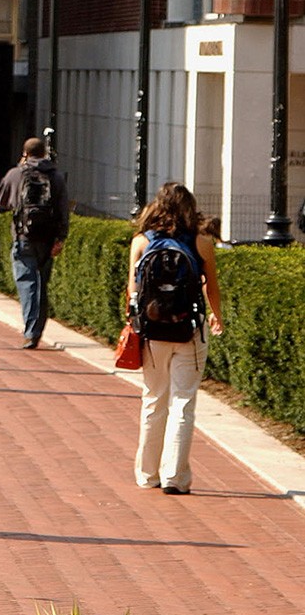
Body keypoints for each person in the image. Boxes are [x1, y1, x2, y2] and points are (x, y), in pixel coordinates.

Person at [128, 183, 223, 495]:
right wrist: (216, 315)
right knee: (183, 401)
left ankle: (146, 473)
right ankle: (175, 476)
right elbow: (211, 286)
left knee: (153, 399)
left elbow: (133, 291)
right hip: (188, 330)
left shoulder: (142, 241)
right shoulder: (201, 240)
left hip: (152, 332)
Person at [0, 137, 71, 349]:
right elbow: (63, 209)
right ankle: (37, 329)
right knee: (41, 285)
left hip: (23, 236)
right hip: (47, 238)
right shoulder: (55, 176)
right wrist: (61, 238)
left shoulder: (17, 173)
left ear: (25, 153)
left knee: (27, 283)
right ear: (44, 152)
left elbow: (1, 198)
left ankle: (30, 331)